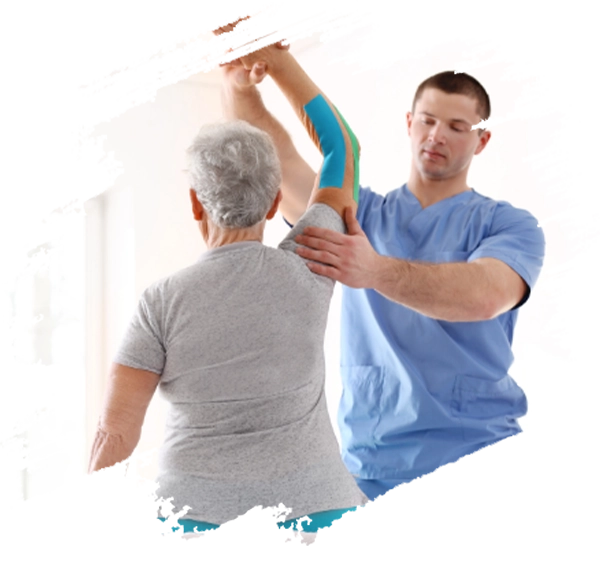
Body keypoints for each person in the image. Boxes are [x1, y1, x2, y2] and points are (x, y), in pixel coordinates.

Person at [219, 13, 546, 503]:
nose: (437, 135)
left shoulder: (508, 225)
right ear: (409, 124)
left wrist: (374, 270)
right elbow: (278, 159)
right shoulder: (359, 212)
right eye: (428, 120)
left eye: (457, 126)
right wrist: (238, 89)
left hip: (476, 459)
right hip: (372, 466)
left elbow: (484, 295)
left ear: (481, 141)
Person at [87, 18, 371, 538]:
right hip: (318, 508)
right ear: (273, 203)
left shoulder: (160, 303)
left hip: (193, 517)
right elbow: (343, 148)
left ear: (195, 202)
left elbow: (116, 432)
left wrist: (97, 527)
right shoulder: (312, 260)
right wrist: (276, 60)